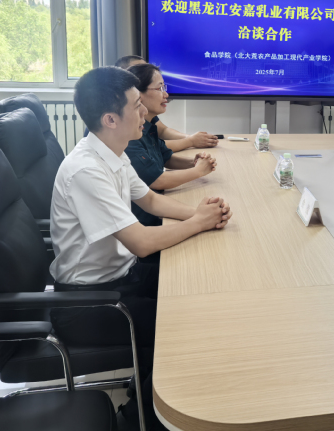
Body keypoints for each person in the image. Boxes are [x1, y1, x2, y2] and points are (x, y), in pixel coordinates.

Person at [49, 66, 232, 429]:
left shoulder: (113, 152)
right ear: (110, 119)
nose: (145, 112)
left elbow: (150, 200)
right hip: (90, 304)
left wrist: (200, 213)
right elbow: (142, 242)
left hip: (122, 276)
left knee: (199, 291)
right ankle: (137, 420)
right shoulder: (86, 170)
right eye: (136, 105)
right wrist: (198, 222)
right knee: (186, 328)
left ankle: (145, 390)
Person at [126, 62, 217, 228]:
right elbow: (157, 181)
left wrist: (195, 163)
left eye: (164, 87)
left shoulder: (148, 126)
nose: (166, 94)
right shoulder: (129, 135)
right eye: (159, 88)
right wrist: (198, 171)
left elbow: (165, 156)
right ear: (138, 95)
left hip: (157, 208)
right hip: (146, 221)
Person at [115, 54, 219, 151]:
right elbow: (152, 148)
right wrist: (190, 141)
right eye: (140, 70)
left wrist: (192, 138)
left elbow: (161, 133)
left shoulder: (147, 114)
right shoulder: (126, 122)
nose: (166, 95)